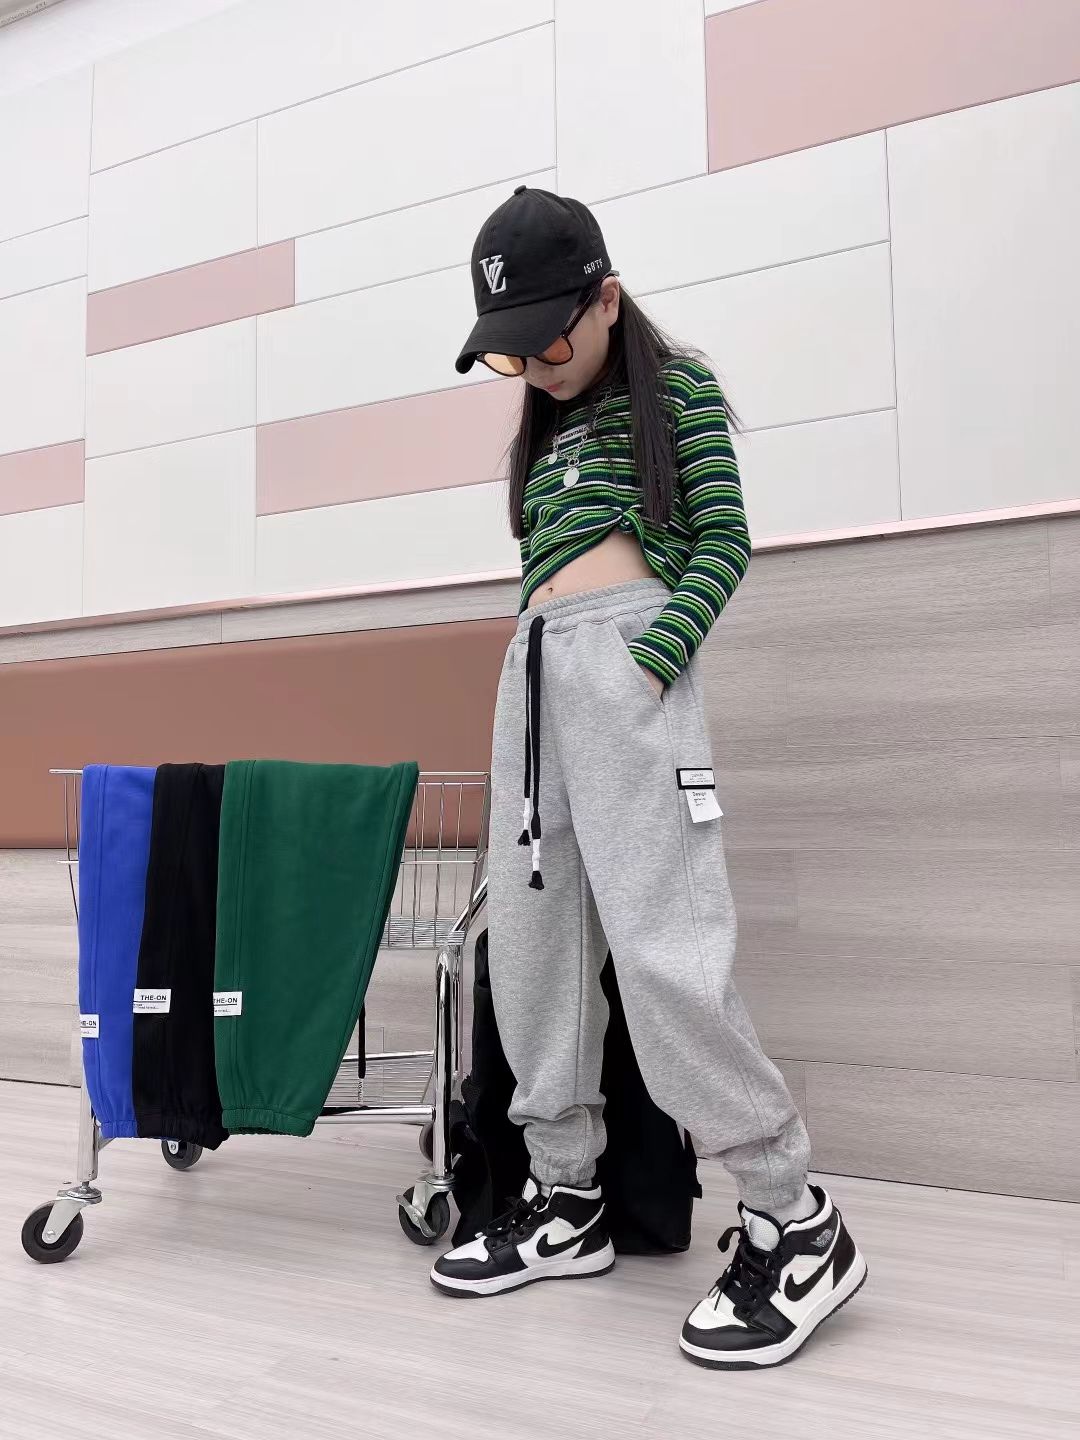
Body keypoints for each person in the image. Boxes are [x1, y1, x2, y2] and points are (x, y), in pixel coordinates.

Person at [430, 186, 866, 1369]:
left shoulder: (676, 389)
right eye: (510, 353)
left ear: (607, 298)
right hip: (533, 679)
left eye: (547, 340)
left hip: (626, 672)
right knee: (534, 954)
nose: (534, 365)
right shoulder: (546, 430)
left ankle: (793, 1216)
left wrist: (651, 661)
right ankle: (565, 1197)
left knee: (667, 948)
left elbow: (722, 541)